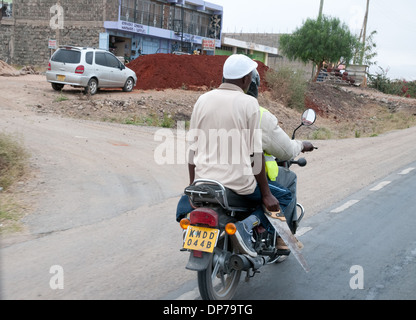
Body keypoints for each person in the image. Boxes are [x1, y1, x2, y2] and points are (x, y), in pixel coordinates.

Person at [182, 54, 293, 257]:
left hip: (204, 183)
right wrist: (267, 194)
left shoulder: (202, 100)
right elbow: (255, 154)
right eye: (250, 77)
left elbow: (192, 150)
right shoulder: (248, 104)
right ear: (245, 80)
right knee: (284, 196)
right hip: (238, 185)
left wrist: (193, 187)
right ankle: (248, 226)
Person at [246, 70, 315, 237]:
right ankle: (281, 237)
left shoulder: (213, 106)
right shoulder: (260, 114)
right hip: (247, 180)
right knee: (288, 185)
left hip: (213, 179)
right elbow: (286, 150)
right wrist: (302, 145)